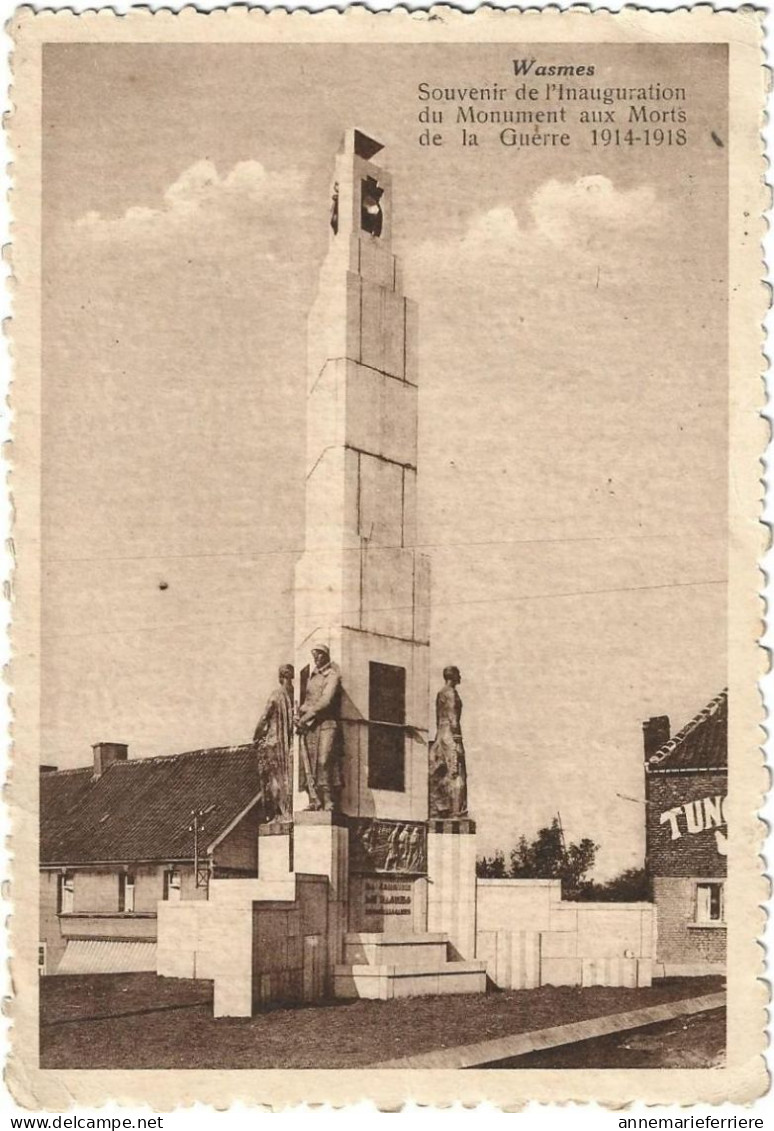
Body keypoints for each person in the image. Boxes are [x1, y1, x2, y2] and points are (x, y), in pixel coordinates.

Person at [296, 644, 343, 811]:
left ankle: (329, 799)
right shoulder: (312, 677)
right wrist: (300, 713)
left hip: (327, 723)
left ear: (325, 655)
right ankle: (313, 799)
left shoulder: (332, 675)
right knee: (309, 763)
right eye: (313, 655)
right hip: (311, 727)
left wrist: (306, 716)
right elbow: (308, 701)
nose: (316, 658)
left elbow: (326, 700)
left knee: (324, 761)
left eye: (318, 654)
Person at [252, 664, 295, 820]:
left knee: (274, 779)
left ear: (280, 677)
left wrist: (256, 736)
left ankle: (280, 813)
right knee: (288, 777)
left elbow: (264, 717)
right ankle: (288, 811)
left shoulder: (276, 695)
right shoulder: (296, 695)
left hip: (274, 742)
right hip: (290, 743)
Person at [428, 665, 468, 818]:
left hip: (441, 733)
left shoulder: (440, 693)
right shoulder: (451, 693)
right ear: (453, 676)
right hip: (450, 734)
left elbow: (438, 718)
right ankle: (457, 810)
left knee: (441, 772)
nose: (461, 676)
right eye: (459, 674)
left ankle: (442, 807)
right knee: (457, 772)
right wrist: (457, 739)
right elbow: (453, 717)